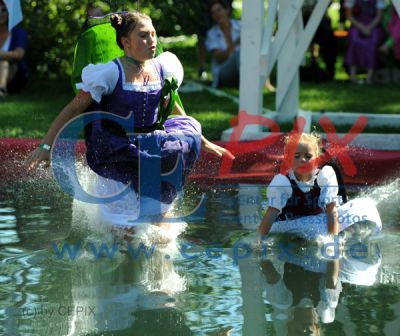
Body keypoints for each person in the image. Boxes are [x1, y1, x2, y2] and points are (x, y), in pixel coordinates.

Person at [26, 11, 231, 220]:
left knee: (159, 225)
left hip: (152, 150)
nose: (151, 41)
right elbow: (74, 109)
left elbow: (169, 104)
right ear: (126, 41)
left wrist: (202, 140)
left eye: (153, 34)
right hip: (118, 152)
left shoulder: (163, 67)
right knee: (125, 233)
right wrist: (46, 146)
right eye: (143, 36)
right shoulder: (110, 73)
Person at [258, 132, 340, 237]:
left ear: (317, 160)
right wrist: (258, 242)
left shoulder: (324, 176)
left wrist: (333, 240)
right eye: (296, 156)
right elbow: (271, 213)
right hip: (287, 224)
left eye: (308, 156)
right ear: (288, 160)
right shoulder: (283, 182)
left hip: (315, 222)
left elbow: (331, 209)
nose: (302, 160)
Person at [344, 0, 386, 84]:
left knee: (373, 40)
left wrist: (369, 28)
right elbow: (349, 15)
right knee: (354, 39)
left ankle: (369, 77)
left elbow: (379, 16)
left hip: (373, 25)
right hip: (357, 24)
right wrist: (361, 27)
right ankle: (352, 76)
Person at [0, 0, 27, 97]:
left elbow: (19, 54)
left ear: (8, 13)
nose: (0, 13)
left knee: (3, 63)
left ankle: (1, 90)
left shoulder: (18, 32)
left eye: (3, 10)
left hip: (14, 75)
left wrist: (3, 55)